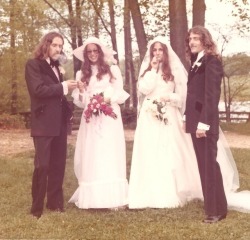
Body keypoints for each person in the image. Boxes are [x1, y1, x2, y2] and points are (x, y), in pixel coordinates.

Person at [184, 26, 250, 223]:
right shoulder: (195, 62)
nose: (192, 42)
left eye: (196, 38)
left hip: (205, 124)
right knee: (204, 166)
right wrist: (187, 117)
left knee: (210, 166)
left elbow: (211, 97)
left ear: (205, 40)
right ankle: (210, 206)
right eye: (190, 39)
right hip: (195, 122)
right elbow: (194, 96)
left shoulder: (211, 62)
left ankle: (217, 211)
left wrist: (203, 124)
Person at [128, 36, 203, 209]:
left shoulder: (174, 71)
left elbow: (183, 97)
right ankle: (148, 190)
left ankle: (172, 190)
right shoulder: (147, 72)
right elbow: (145, 90)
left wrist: (169, 97)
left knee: (169, 151)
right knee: (150, 150)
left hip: (168, 114)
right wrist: (153, 71)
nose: (157, 53)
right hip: (149, 115)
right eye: (154, 50)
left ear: (165, 52)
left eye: (160, 49)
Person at [68, 37, 129, 210]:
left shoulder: (112, 69)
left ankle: (113, 199)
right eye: (90, 51)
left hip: (109, 117)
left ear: (100, 52)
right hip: (91, 117)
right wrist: (82, 93)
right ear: (86, 55)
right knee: (93, 153)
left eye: (96, 51)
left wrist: (105, 100)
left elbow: (119, 93)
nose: (93, 54)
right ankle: (93, 198)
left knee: (109, 151)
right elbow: (80, 101)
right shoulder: (82, 74)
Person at [25, 31, 77, 219]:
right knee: (43, 165)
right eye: (55, 45)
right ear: (46, 44)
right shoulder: (33, 65)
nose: (58, 49)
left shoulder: (57, 67)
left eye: (60, 46)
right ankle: (36, 208)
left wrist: (67, 92)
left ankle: (55, 203)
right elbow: (38, 90)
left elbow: (57, 95)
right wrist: (63, 87)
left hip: (59, 123)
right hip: (43, 123)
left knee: (58, 164)